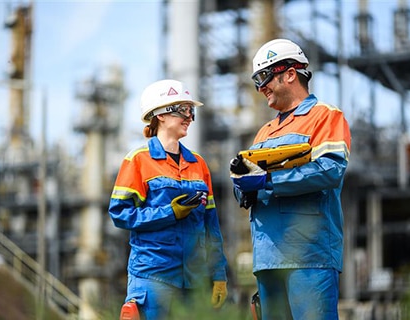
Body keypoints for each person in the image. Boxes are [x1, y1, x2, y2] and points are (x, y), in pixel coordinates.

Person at [235, 38, 352, 320]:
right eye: (256, 81)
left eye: (264, 77)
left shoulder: (325, 117)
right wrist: (243, 187)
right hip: (267, 257)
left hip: (309, 256)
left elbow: (330, 169)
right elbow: (251, 187)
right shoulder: (264, 132)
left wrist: (270, 181)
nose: (260, 87)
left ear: (290, 73)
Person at [109, 80, 230, 319]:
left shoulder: (199, 164)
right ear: (160, 115)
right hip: (153, 277)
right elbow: (120, 213)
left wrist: (218, 275)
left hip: (194, 280)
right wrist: (170, 213)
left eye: (191, 111)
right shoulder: (138, 161)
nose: (189, 117)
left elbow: (211, 226)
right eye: (183, 110)